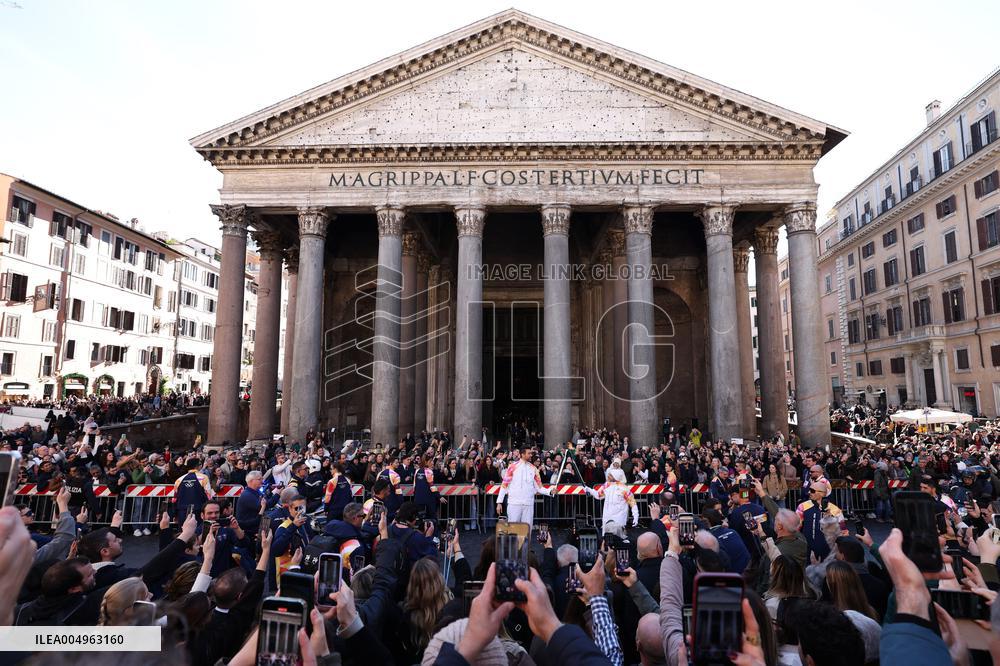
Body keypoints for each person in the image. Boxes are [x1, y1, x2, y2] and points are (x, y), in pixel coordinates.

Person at [496, 446, 553, 529]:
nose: (531, 455)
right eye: (529, 453)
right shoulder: (512, 467)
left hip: (528, 504)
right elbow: (504, 485)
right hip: (514, 503)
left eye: (531, 453)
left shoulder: (534, 469)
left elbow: (539, 487)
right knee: (513, 530)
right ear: (522, 454)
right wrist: (499, 502)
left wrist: (550, 491)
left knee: (526, 531)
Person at [585, 459, 639, 535]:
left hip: (619, 517)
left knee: (618, 539)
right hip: (607, 517)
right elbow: (598, 495)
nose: (608, 476)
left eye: (610, 475)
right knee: (607, 538)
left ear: (615, 477)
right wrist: (589, 490)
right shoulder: (607, 485)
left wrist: (636, 515)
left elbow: (632, 503)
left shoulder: (623, 488)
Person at [173, 456, 213, 522]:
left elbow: (174, 498)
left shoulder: (179, 479)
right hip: (198, 509)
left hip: (182, 510)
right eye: (200, 464)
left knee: (183, 531)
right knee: (197, 531)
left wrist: (175, 513)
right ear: (198, 466)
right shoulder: (204, 477)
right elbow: (209, 495)